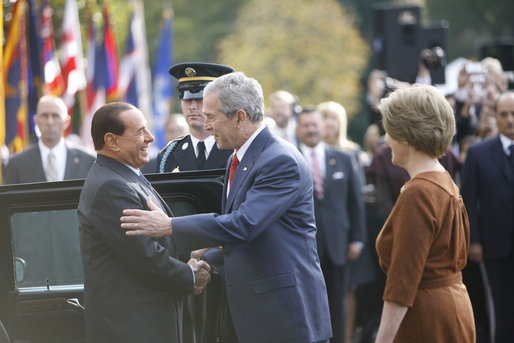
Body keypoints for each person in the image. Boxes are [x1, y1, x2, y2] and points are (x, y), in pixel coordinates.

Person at [121, 72, 332, 343]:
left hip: (284, 317)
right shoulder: (241, 157)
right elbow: (246, 237)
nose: (206, 125)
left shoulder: (279, 161)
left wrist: (169, 225)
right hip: (257, 314)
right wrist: (208, 261)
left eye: (212, 116)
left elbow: (244, 224)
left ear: (240, 117)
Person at [77, 102, 211, 343]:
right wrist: (189, 275)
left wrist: (191, 252)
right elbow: (146, 258)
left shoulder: (123, 175)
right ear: (112, 141)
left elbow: (155, 240)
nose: (149, 138)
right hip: (134, 328)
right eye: (139, 132)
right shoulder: (112, 186)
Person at [374, 85, 475, 342]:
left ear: (405, 135)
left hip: (426, 321)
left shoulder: (419, 193)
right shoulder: (444, 180)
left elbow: (401, 284)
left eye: (389, 130)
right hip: (454, 310)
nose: (386, 139)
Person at [296, 107, 366, 343]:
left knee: (337, 305)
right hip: (303, 250)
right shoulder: (289, 159)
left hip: (338, 246)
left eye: (315, 124)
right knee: (306, 306)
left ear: (322, 127)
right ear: (298, 128)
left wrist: (358, 238)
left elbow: (356, 201)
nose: (311, 129)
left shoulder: (344, 158)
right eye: (306, 125)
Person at [461, 91, 514, 343]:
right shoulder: (478, 153)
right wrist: (475, 241)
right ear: (495, 116)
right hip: (496, 245)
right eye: (504, 114)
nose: (510, 120)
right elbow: (469, 200)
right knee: (502, 310)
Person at [156, 63, 234, 173]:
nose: (192, 106)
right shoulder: (168, 155)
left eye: (200, 99)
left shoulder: (235, 149)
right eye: (186, 99)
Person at [3, 95, 95, 184]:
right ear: (36, 121)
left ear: (67, 122)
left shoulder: (88, 161)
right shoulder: (16, 164)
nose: (50, 122)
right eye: (44, 116)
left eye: (55, 116)